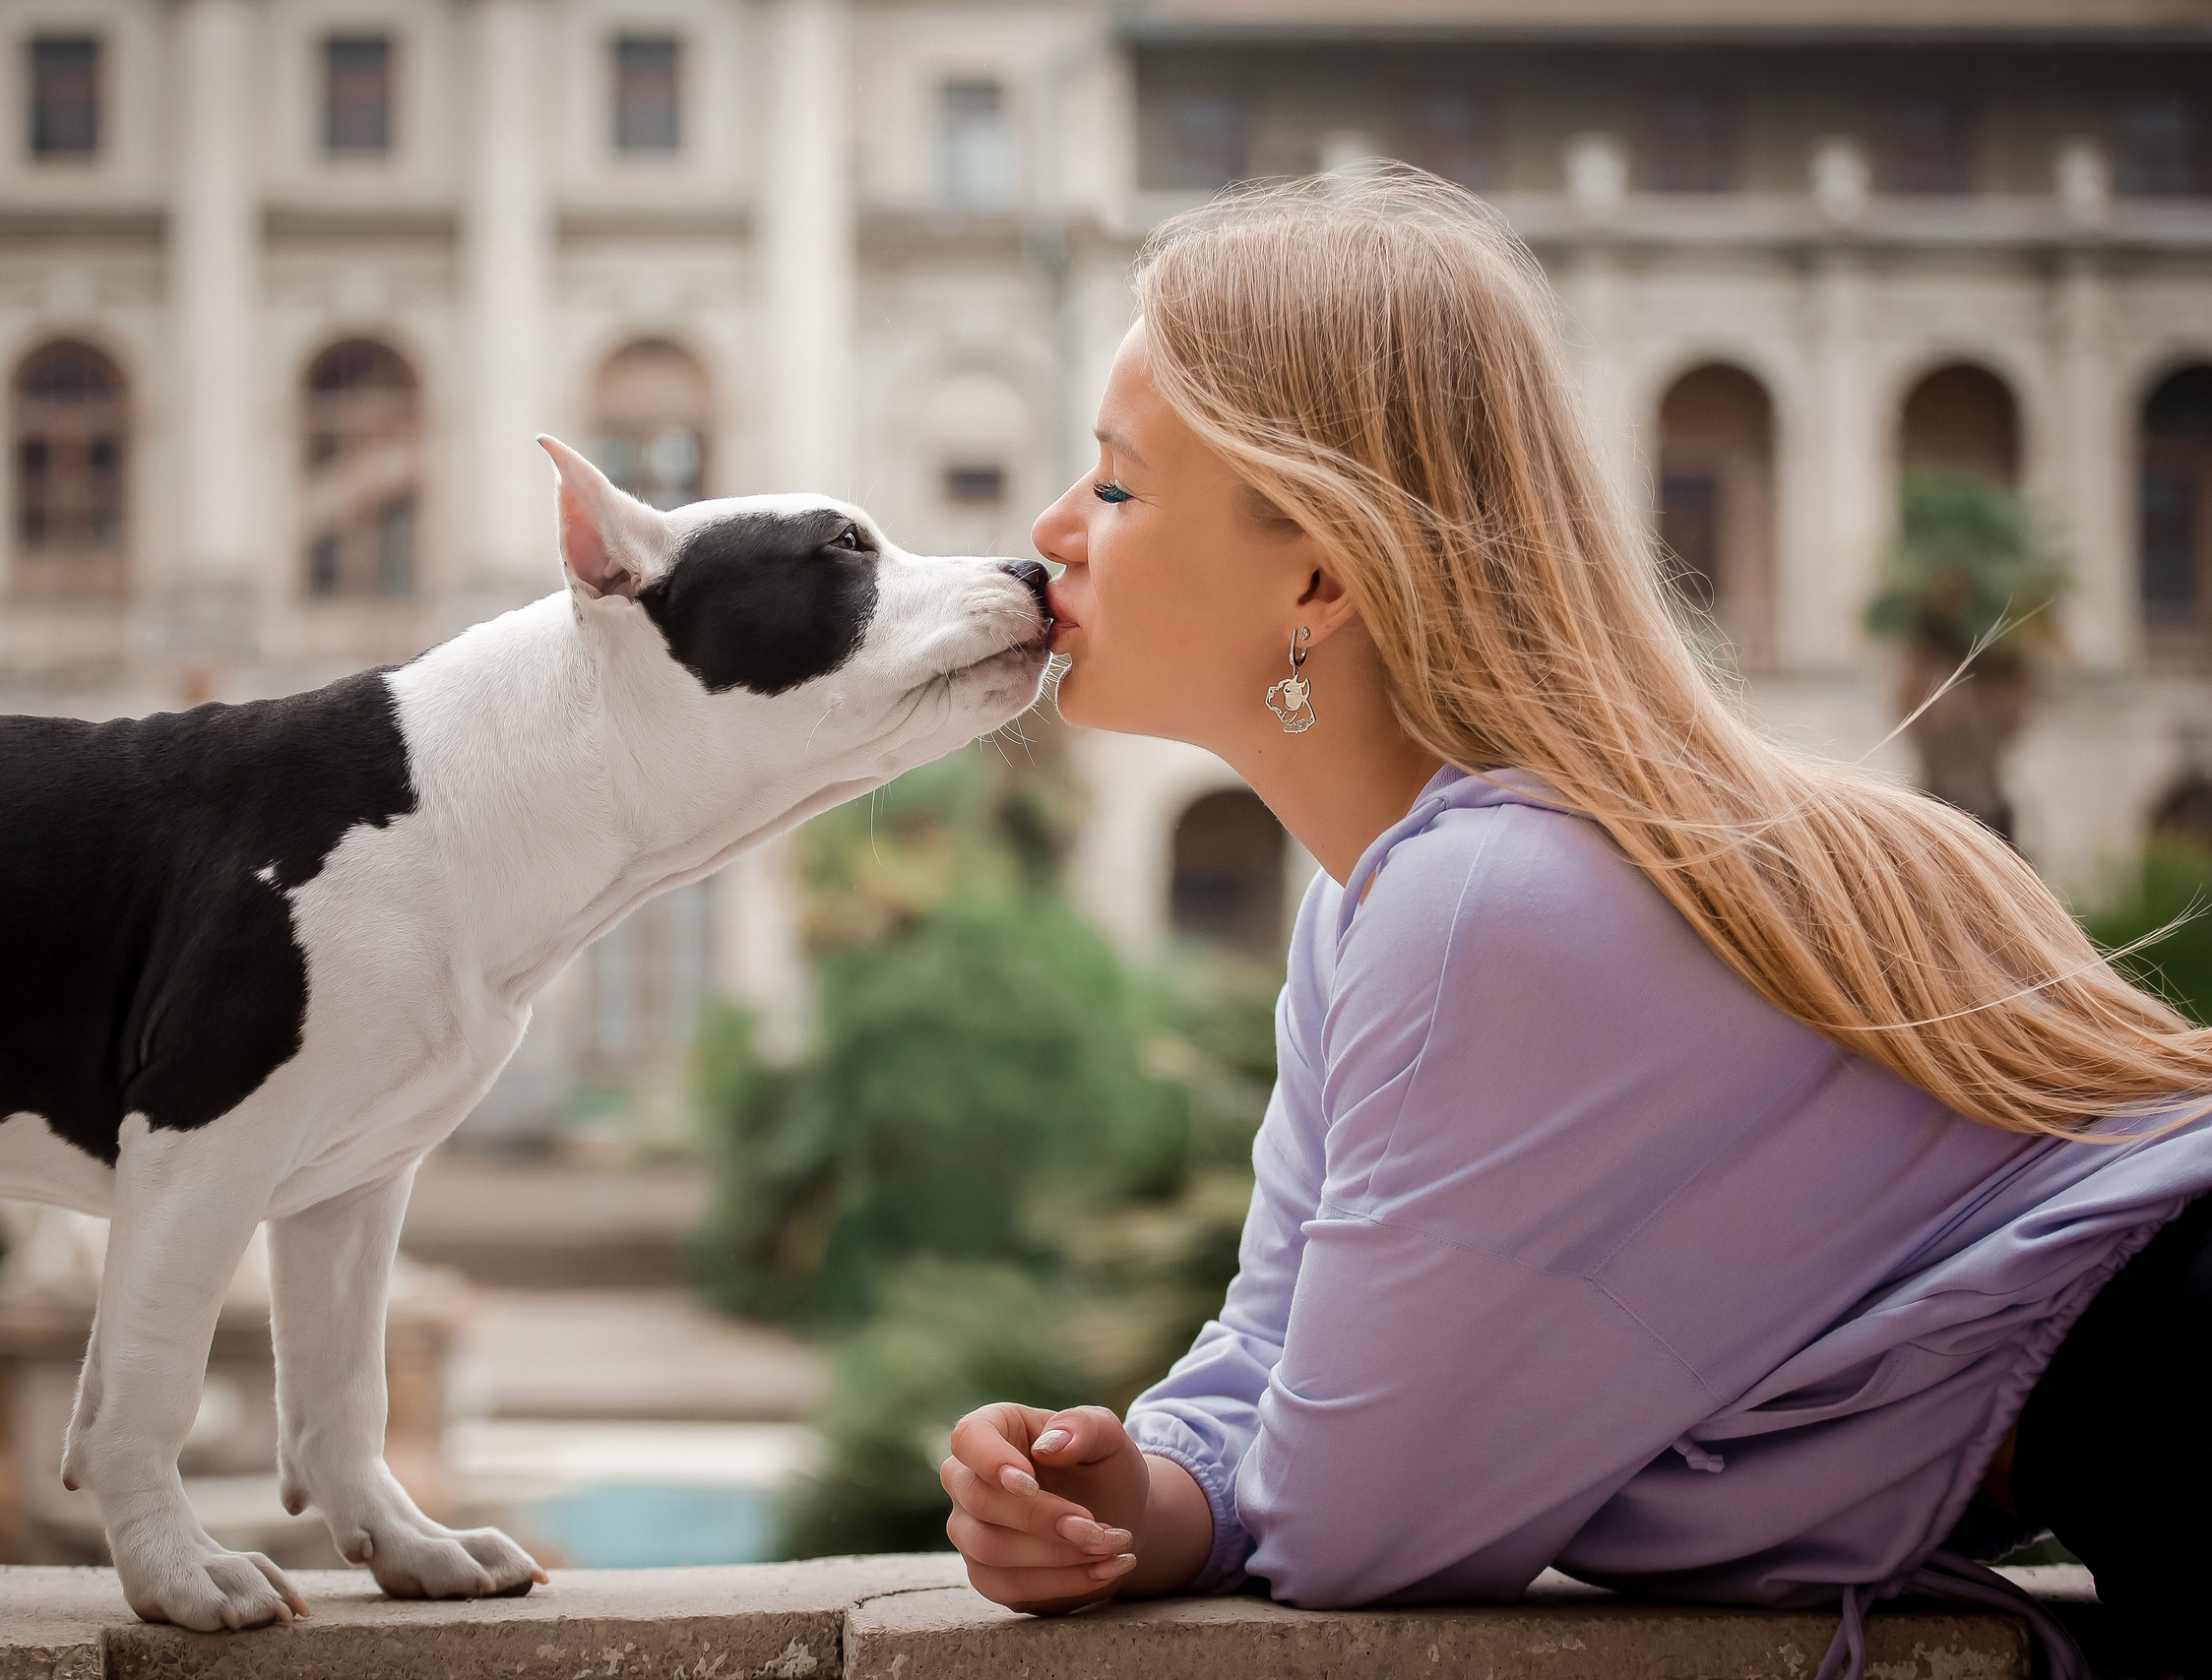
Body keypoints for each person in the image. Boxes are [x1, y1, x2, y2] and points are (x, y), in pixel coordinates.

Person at [936, 167, 2212, 1680]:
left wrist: (1229, 1491)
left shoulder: (1483, 904)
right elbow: (1276, 1359)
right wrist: (1135, 1506)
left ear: (1321, 574)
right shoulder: (1389, 904)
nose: (1053, 528)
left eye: (1118, 485)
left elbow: (1354, 1525)